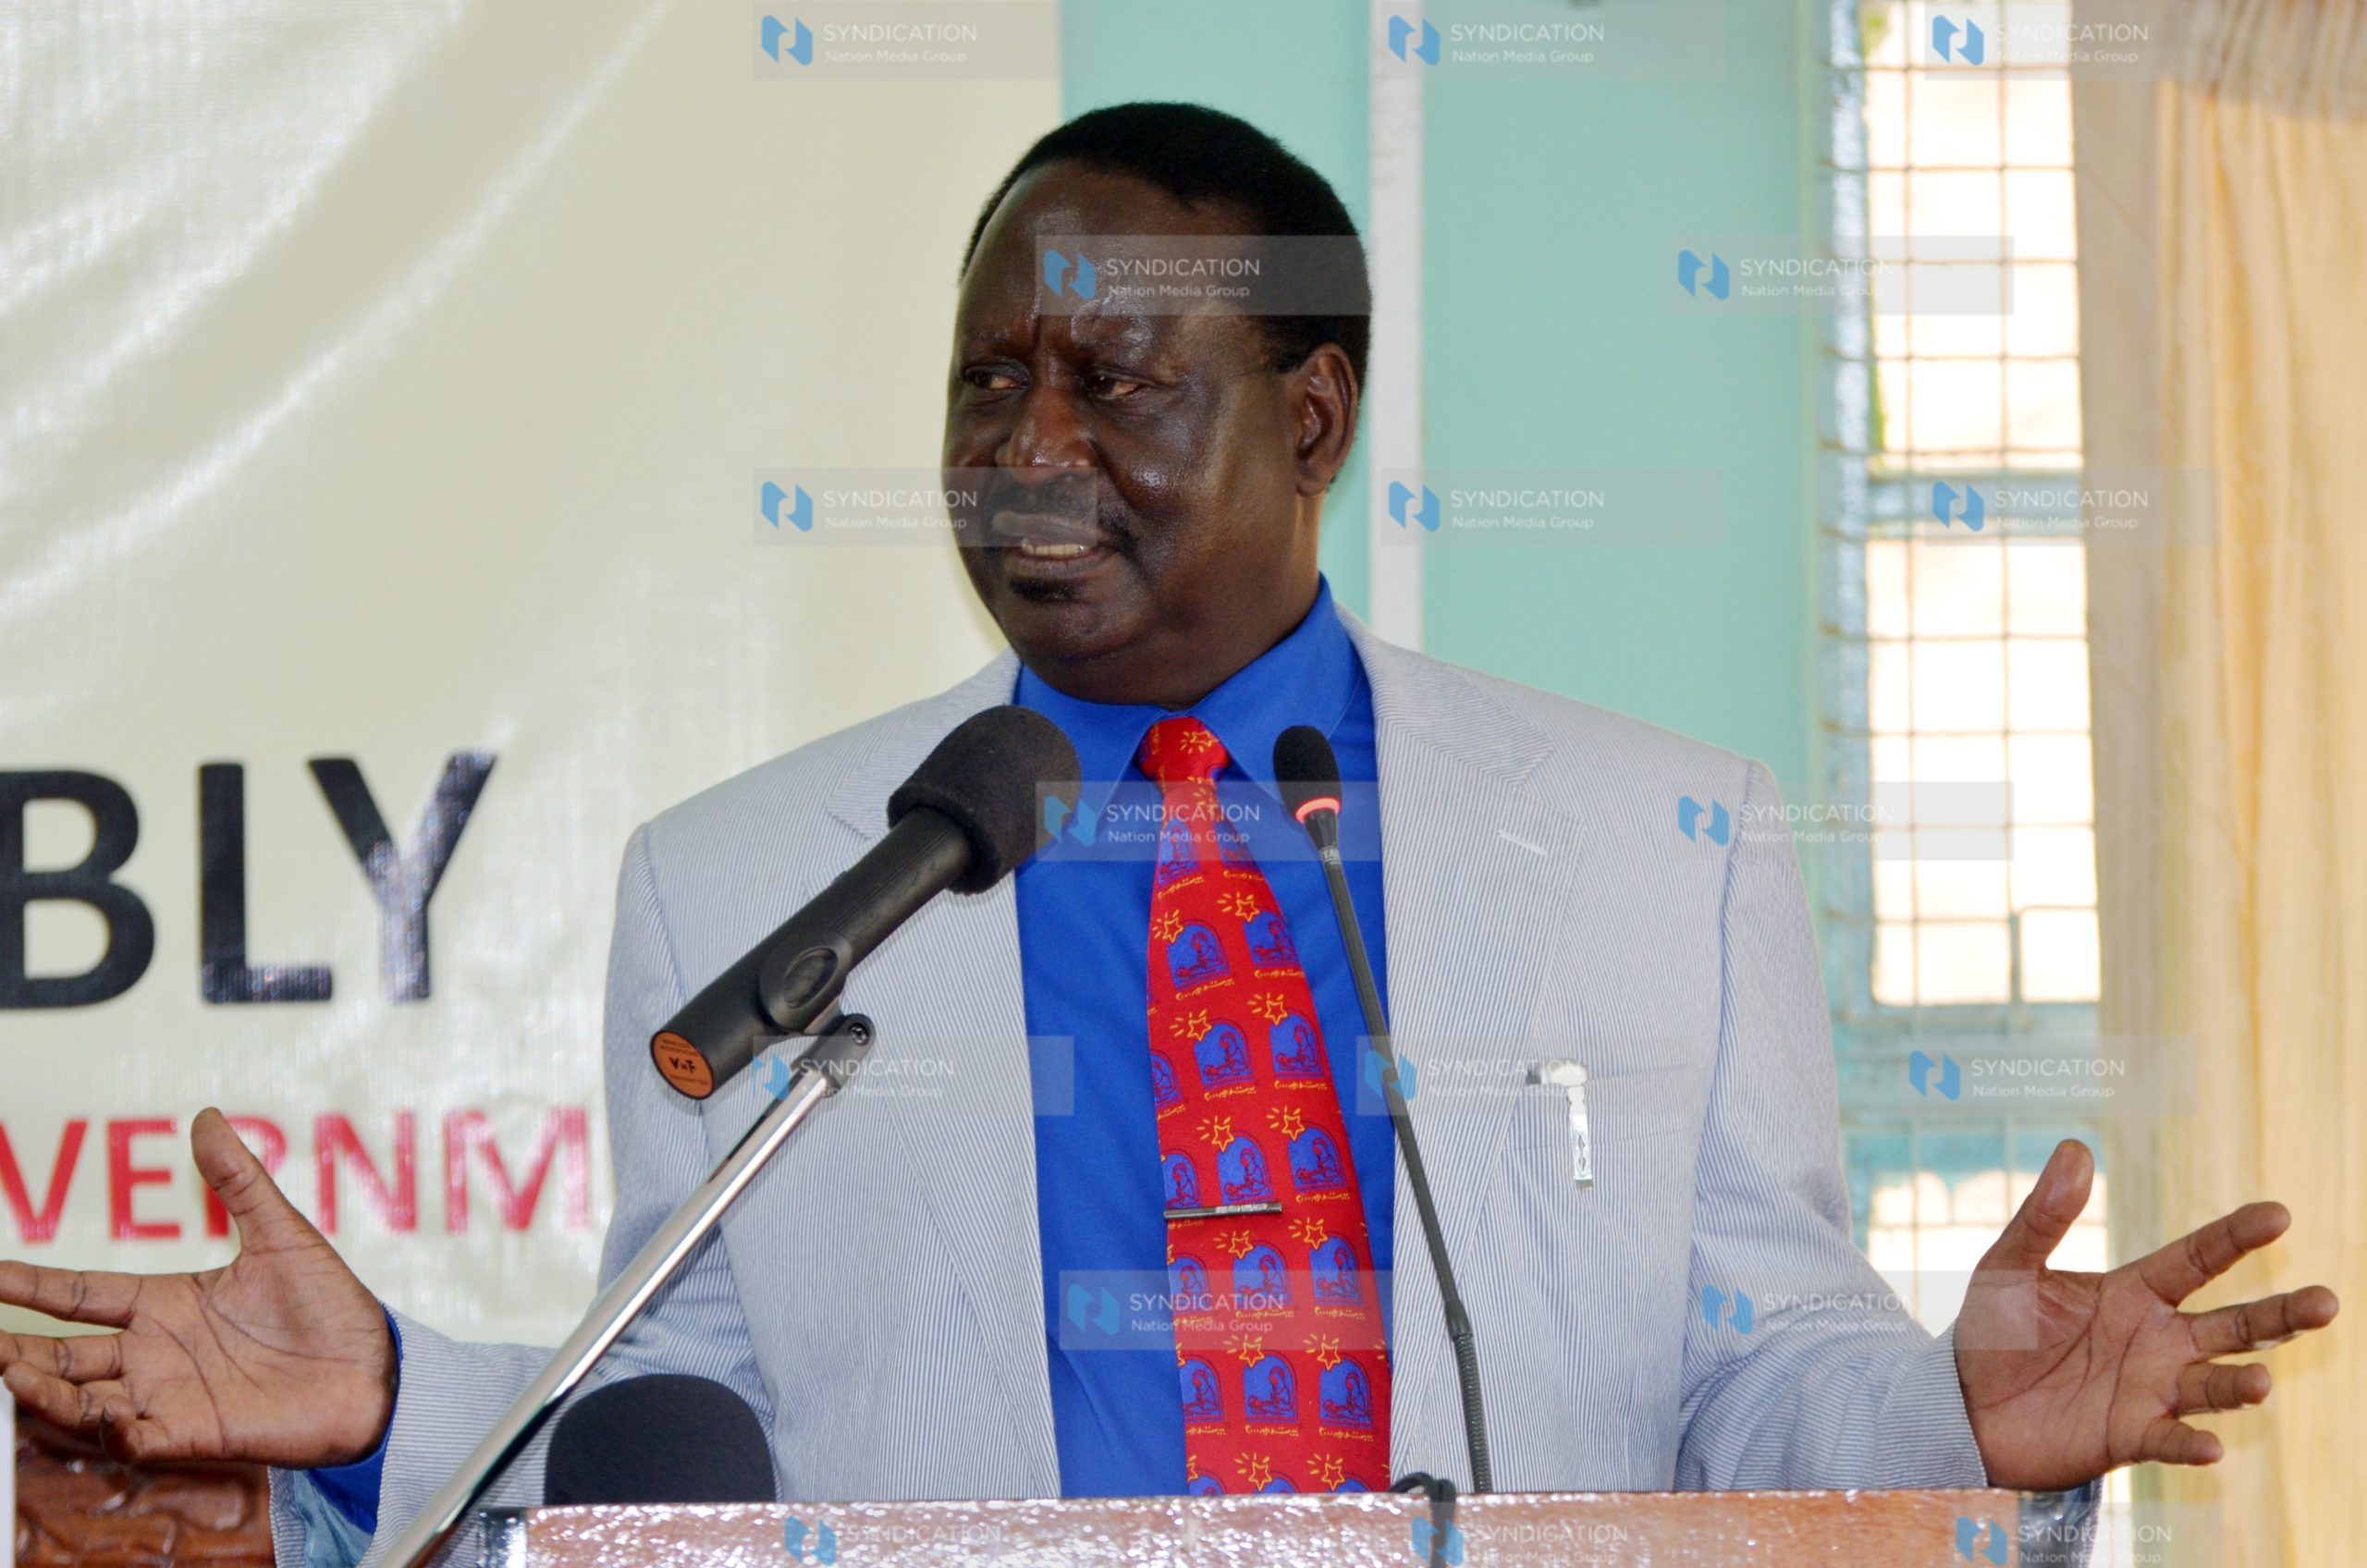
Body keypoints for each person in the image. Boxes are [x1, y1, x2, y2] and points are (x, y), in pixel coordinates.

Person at [0, 103, 2338, 1568]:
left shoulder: (1660, 835)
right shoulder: (752, 882)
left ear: (1306, 415)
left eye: (1110, 379)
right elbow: (682, 1433)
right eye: (985, 377)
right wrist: (410, 1388)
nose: (1026, 437)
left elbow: (1747, 1373)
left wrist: (1955, 1415)